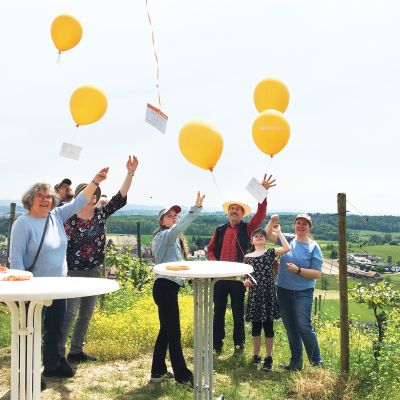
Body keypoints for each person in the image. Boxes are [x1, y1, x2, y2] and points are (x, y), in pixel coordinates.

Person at [8, 168, 108, 384]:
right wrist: (22, 290)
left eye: (48, 197)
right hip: (33, 289)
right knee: (31, 331)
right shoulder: (22, 224)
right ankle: (29, 373)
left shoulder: (56, 216)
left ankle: (53, 365)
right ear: (30, 199)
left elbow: (79, 202)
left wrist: (94, 181)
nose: (45, 200)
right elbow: (15, 262)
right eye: (40, 196)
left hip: (58, 286)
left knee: (56, 328)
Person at [59, 156, 138, 363]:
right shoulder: (69, 218)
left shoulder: (101, 214)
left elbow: (120, 197)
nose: (92, 197)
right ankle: (56, 353)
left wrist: (130, 173)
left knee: (86, 312)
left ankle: (76, 351)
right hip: (73, 272)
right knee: (70, 312)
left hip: (95, 270)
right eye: (88, 194)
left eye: (95, 194)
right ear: (80, 197)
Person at [207, 174, 276, 356]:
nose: (234, 211)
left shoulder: (248, 228)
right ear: (228, 212)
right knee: (218, 313)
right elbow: (210, 250)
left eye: (238, 209)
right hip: (220, 278)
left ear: (242, 214)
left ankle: (239, 347)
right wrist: (215, 264)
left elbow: (261, 214)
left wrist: (263, 193)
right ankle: (217, 346)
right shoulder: (219, 230)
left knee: (238, 313)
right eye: (232, 209)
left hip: (239, 278)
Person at [150, 192, 205, 388]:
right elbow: (181, 227)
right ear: (162, 221)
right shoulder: (165, 235)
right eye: (169, 215)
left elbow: (177, 264)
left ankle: (157, 371)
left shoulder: (169, 239)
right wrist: (195, 210)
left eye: (175, 215)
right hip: (165, 287)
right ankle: (183, 376)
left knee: (166, 330)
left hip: (166, 287)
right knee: (174, 332)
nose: (174, 218)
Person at [266, 213, 323, 371]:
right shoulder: (289, 239)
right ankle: (296, 363)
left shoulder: (313, 247)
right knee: (290, 327)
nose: (301, 226)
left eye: (304, 224)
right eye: (298, 223)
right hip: (283, 290)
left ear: (309, 227)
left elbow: (317, 273)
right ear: (294, 225)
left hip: (302, 292)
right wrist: (271, 222)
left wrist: (298, 270)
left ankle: (317, 365)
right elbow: (268, 235)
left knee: (304, 327)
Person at [243, 217, 290, 371]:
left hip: (269, 294)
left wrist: (279, 232)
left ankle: (269, 357)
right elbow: (243, 276)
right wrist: (244, 282)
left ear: (264, 239)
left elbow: (287, 248)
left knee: (268, 328)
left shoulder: (270, 252)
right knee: (256, 328)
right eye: (255, 236)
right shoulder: (247, 258)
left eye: (261, 235)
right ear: (252, 241)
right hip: (255, 295)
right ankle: (256, 355)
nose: (259, 236)